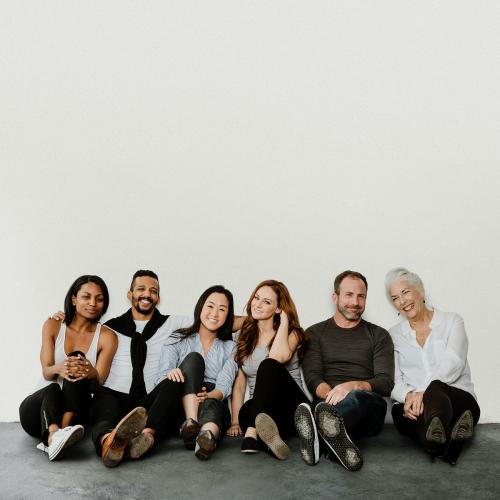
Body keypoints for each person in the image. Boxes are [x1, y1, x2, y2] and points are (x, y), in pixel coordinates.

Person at [296, 270, 394, 471]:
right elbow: (313, 377)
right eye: (349, 295)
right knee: (325, 410)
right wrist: (333, 395)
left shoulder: (379, 335)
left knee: (357, 397)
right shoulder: (315, 333)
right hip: (326, 403)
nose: (355, 302)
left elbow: (385, 382)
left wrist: (353, 387)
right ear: (335, 297)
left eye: (361, 296)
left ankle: (316, 435)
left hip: (369, 408)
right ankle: (335, 445)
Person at [385, 267, 480, 465]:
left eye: (405, 292)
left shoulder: (452, 321)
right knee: (398, 411)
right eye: (395, 298)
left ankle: (433, 442)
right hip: (418, 406)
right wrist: (409, 397)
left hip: (459, 400)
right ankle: (445, 443)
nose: (402, 302)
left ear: (420, 291)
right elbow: (394, 381)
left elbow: (453, 363)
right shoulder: (393, 335)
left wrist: (423, 393)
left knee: (436, 387)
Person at [19, 275, 117, 460]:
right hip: (40, 410)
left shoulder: (107, 336)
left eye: (99, 298)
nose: (93, 303)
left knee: (78, 359)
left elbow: (98, 384)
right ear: (73, 299)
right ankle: (55, 435)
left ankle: (56, 436)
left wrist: (92, 372)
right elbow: (46, 372)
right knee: (55, 386)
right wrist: (59, 368)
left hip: (76, 416)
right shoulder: (53, 325)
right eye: (86, 297)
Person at [227, 279, 309, 460]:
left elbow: (278, 358)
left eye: (267, 302)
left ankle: (252, 435)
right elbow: (240, 385)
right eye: (256, 298)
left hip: (294, 407)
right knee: (247, 410)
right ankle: (270, 439)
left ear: (278, 308)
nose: (257, 304)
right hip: (264, 411)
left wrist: (285, 319)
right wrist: (234, 421)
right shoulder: (244, 335)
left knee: (268, 365)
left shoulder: (293, 333)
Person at [155, 285, 238, 460]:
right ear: (200, 307)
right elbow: (161, 377)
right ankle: (191, 425)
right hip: (181, 398)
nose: (214, 313)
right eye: (210, 306)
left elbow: (225, 383)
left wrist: (209, 395)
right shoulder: (177, 338)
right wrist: (172, 374)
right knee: (194, 359)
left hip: (212, 395)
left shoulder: (231, 347)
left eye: (222, 309)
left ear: (228, 316)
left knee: (214, 404)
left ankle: (206, 438)